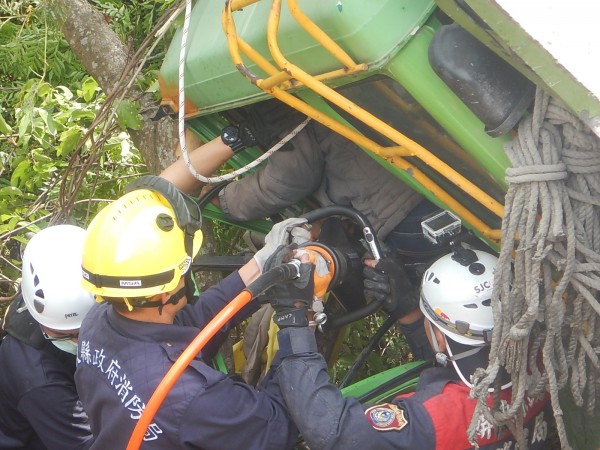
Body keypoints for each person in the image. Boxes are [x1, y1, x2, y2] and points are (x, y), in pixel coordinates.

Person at [161, 99, 443, 361]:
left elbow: (293, 174)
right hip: (435, 183)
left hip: (394, 212)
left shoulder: (269, 89)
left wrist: (227, 200)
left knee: (441, 316)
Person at [74, 176, 304, 449]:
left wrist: (261, 265)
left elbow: (192, 325)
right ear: (164, 293)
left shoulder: (97, 322)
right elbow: (276, 427)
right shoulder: (192, 395)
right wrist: (301, 315)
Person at [264, 244, 551, 449]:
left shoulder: (436, 418)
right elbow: (456, 369)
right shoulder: (543, 361)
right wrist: (410, 314)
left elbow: (333, 433)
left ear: (439, 337)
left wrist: (295, 321)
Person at [0, 224, 95, 450]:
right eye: (65, 334)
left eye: (85, 330)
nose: (78, 342)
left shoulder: (39, 300)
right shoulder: (39, 382)